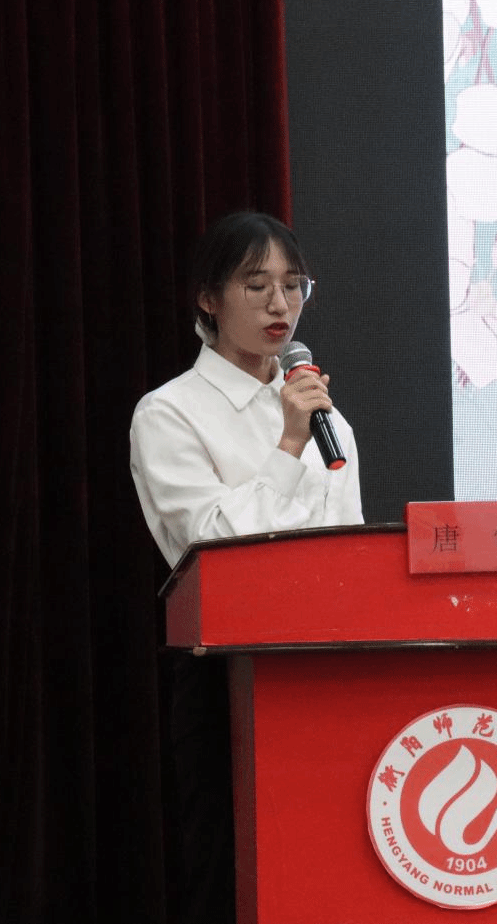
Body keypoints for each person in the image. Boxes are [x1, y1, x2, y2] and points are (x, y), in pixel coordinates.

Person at [129, 211, 364, 923]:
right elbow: (210, 546)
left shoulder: (327, 418)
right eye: (256, 285)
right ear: (208, 298)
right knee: (231, 869)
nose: (279, 305)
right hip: (225, 670)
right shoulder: (169, 413)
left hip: (326, 665)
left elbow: (348, 547)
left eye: (294, 286)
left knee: (331, 862)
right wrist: (287, 445)